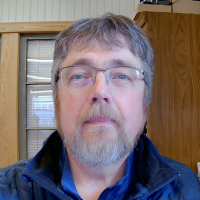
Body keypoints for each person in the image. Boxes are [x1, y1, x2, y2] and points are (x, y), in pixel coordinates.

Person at [0, 13, 199, 200]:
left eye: (122, 75)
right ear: (56, 101)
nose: (100, 91)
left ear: (145, 103)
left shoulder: (188, 189)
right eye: (79, 75)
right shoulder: (6, 190)